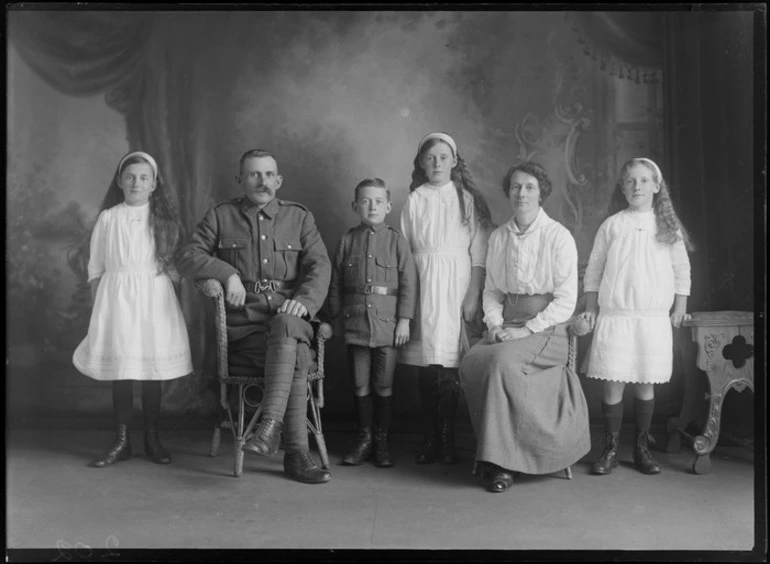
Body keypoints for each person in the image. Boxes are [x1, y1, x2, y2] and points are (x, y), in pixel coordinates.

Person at [177, 149, 332, 484]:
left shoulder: (299, 217)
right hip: (247, 330)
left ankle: (269, 426)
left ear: (279, 180)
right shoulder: (222, 216)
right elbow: (188, 255)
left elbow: (320, 265)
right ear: (240, 180)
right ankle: (297, 456)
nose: (262, 182)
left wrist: (304, 302)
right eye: (254, 174)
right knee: (297, 357)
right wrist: (227, 273)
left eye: (268, 174)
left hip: (291, 318)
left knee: (287, 325)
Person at [459, 161, 590, 493]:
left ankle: (500, 464)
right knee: (474, 359)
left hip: (548, 330)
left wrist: (526, 330)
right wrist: (495, 324)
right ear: (509, 192)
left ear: (541, 192)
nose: (522, 193)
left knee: (500, 363)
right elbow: (492, 292)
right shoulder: (500, 236)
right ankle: (496, 451)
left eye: (530, 187)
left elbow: (565, 300)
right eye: (516, 187)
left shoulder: (558, 236)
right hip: (508, 324)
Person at [73, 151, 193, 468]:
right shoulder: (108, 218)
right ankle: (122, 440)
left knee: (151, 372)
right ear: (119, 182)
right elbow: (96, 267)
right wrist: (101, 311)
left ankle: (152, 438)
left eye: (143, 178)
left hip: (154, 300)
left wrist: (170, 280)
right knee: (122, 372)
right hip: (117, 301)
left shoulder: (165, 223)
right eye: (129, 177)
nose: (136, 183)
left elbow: (177, 268)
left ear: (154, 184)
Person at [580, 157, 692, 476]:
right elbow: (595, 271)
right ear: (623, 187)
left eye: (643, 181)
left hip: (652, 319)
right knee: (613, 385)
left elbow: (681, 270)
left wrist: (679, 307)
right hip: (616, 317)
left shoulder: (667, 227)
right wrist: (591, 308)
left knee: (645, 385)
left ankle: (641, 448)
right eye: (630, 181)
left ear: (657, 187)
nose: (637, 186)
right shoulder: (612, 225)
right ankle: (611, 448)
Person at [400, 132, 491, 465]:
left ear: (454, 161)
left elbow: (478, 255)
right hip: (424, 283)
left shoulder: (467, 198)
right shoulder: (415, 199)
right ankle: (430, 438)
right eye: (430, 158)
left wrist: (472, 294)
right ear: (422, 164)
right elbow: (407, 252)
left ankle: (448, 438)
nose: (436, 163)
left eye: (443, 157)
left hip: (457, 284)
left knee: (450, 364)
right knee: (428, 364)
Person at [328, 178, 418, 468]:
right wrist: (336, 318)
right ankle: (364, 438)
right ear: (356, 206)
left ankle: (381, 440)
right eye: (365, 201)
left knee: (384, 383)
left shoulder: (396, 241)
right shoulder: (347, 240)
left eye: (378, 201)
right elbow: (335, 285)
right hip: (355, 325)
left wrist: (404, 320)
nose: (372, 206)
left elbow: (409, 283)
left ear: (389, 206)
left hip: (388, 326)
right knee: (359, 383)